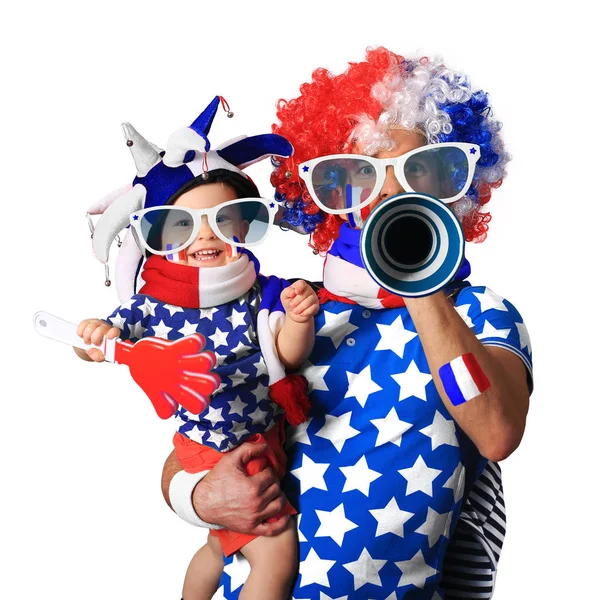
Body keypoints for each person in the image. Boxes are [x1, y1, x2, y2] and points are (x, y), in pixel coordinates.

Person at [162, 49, 533, 599]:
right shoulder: (286, 309)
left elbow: (494, 429)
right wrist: (197, 496)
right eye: (360, 174)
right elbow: (192, 441)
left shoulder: (479, 313)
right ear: (332, 198)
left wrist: (418, 278)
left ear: (454, 185)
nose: (386, 193)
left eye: (414, 171)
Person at [76, 96, 319, 600]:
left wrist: (298, 317)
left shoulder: (261, 290)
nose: (205, 235)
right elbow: (110, 336)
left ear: (244, 226)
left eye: (225, 218)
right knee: (275, 553)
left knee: (216, 550)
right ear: (159, 235)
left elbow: (289, 356)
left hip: (259, 436)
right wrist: (96, 337)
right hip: (219, 446)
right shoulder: (156, 304)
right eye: (184, 225)